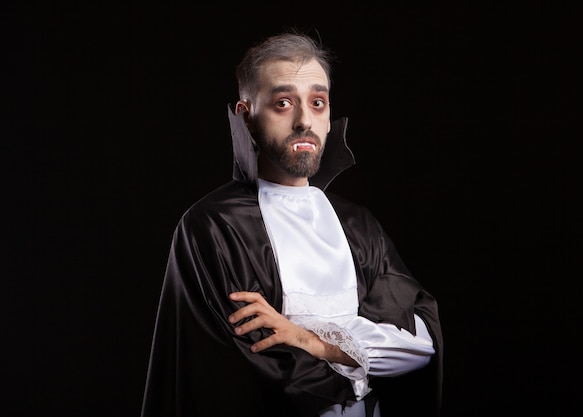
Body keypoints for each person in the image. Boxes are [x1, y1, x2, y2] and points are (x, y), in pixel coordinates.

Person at [140, 30, 443, 417]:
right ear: (245, 116)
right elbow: (254, 370)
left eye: (318, 103)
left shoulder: (358, 227)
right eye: (283, 103)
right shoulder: (214, 228)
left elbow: (419, 344)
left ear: (331, 117)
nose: (304, 120)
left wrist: (310, 339)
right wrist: (361, 354)